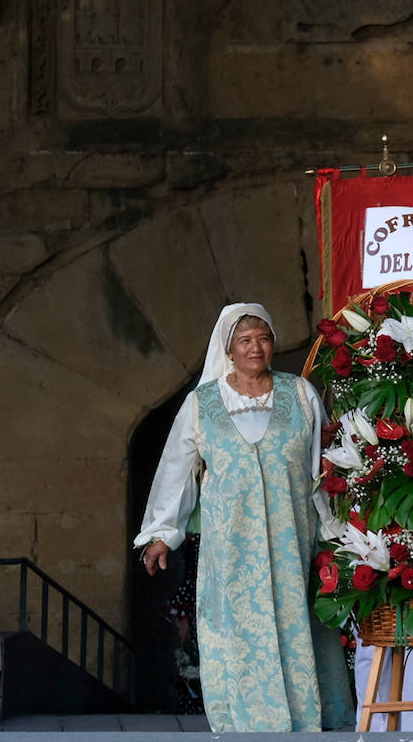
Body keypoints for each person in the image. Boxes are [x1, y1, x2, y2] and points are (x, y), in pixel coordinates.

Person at [134, 303, 354, 731]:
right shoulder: (203, 404)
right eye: (245, 340)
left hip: (293, 540)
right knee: (239, 628)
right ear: (229, 349)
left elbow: (324, 468)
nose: (256, 348)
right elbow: (177, 471)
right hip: (230, 547)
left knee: (297, 624)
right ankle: (246, 723)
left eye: (264, 338)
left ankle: (305, 717)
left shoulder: (301, 394)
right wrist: (162, 533)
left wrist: (337, 533)